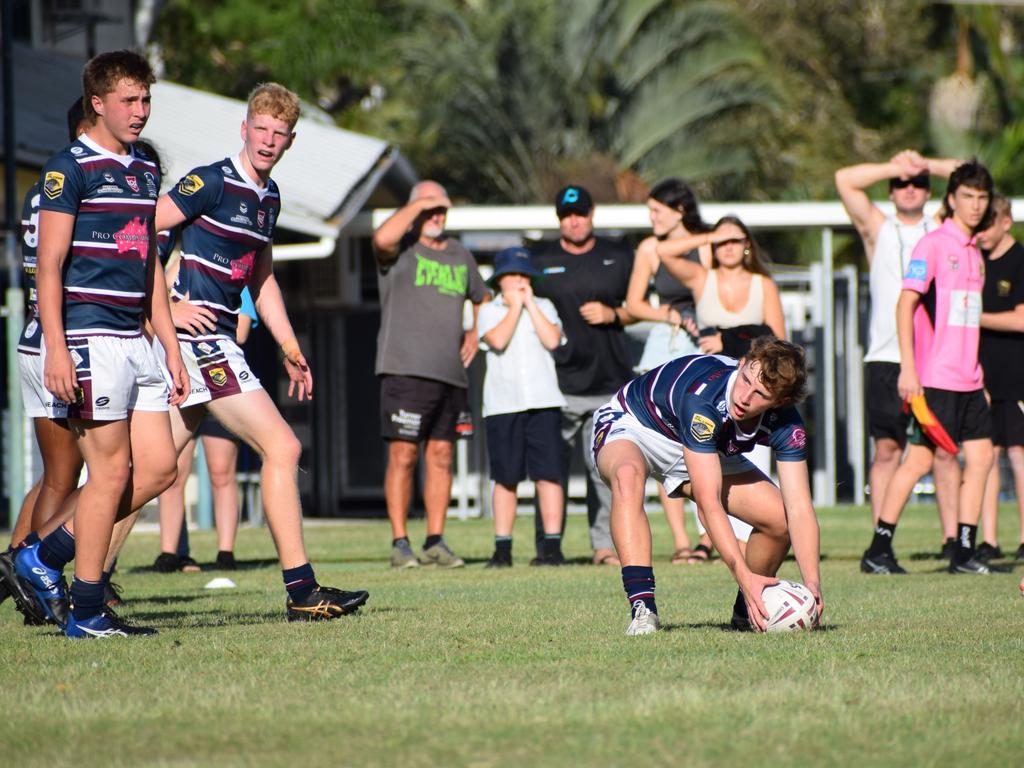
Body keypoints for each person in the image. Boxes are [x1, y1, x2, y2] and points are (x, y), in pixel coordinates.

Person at [150, 82, 369, 619]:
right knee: (284, 449)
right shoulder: (211, 180)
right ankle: (302, 592)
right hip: (195, 340)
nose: (269, 140)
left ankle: (52, 564)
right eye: (261, 129)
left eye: (280, 133)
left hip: (216, 339)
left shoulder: (268, 198)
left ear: (290, 141)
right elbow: (141, 232)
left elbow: (262, 276)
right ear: (244, 129)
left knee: (148, 474)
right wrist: (164, 311)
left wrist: (290, 344)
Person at [7, 50, 190, 638]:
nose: (140, 112)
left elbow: (150, 268)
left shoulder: (144, 170)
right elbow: (50, 266)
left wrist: (171, 346)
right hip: (87, 337)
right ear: (98, 103)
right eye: (129, 101)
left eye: (146, 100)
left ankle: (39, 557)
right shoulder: (68, 168)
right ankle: (86, 612)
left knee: (159, 469)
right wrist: (57, 348)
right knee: (107, 475)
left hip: (135, 341)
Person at [593, 337, 822, 635]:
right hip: (635, 424)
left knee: (779, 520)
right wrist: (741, 573)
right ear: (741, 364)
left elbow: (800, 508)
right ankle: (643, 609)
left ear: (779, 402)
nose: (744, 397)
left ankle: (749, 610)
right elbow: (707, 505)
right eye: (745, 380)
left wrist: (813, 583)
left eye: (760, 394)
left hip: (703, 446)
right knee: (627, 474)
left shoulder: (788, 424)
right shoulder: (703, 399)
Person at [860, 160, 995, 576]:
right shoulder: (934, 245)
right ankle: (878, 548)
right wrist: (909, 369)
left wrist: (980, 374)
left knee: (982, 457)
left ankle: (963, 551)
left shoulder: (975, 253)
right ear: (951, 199)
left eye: (982, 197)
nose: (975, 205)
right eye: (967, 197)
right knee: (918, 461)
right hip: (934, 378)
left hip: (969, 380)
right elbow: (906, 303)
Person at [835, 151, 962, 557]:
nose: (910, 188)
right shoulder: (879, 227)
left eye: (918, 183)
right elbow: (844, 178)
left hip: (934, 357)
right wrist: (896, 167)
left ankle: (950, 540)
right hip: (887, 357)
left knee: (943, 449)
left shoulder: (942, 226)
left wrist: (924, 162)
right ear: (891, 191)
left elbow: (970, 176)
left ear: (929, 190)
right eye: (902, 184)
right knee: (887, 449)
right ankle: (881, 542)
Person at [372, 180, 488, 568]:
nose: (436, 214)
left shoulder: (460, 255)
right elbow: (382, 236)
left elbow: (482, 298)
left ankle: (435, 540)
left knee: (441, 456)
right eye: (428, 208)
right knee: (403, 455)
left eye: (441, 208)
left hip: (451, 374)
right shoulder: (400, 250)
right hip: (404, 370)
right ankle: (400, 542)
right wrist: (422, 202)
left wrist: (473, 330)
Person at [656, 215, 787, 557]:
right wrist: (708, 236)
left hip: (753, 389)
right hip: (712, 388)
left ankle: (752, 538)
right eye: (721, 241)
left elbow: (778, 341)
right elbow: (664, 251)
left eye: (735, 239)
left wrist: (728, 337)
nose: (727, 246)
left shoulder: (763, 284)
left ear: (747, 244)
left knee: (753, 461)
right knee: (706, 463)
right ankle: (710, 539)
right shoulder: (702, 278)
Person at [531, 184, 635, 566]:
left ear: (592, 214)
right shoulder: (539, 258)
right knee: (549, 469)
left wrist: (614, 315)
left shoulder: (619, 255)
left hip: (609, 383)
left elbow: (640, 306)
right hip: (553, 385)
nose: (574, 221)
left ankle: (605, 546)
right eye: (566, 215)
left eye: (581, 213)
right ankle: (548, 546)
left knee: (603, 471)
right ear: (559, 219)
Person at [625, 178, 713, 565]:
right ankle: (681, 541)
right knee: (668, 447)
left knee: (708, 442)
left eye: (658, 210)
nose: (652, 217)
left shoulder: (706, 241)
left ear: (680, 210)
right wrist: (669, 314)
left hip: (706, 341)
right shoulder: (649, 247)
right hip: (668, 342)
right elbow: (633, 303)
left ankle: (708, 537)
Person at [477, 247, 566, 567]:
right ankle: (503, 548)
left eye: (524, 275)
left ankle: (552, 547)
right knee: (506, 476)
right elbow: (497, 341)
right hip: (504, 404)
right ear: (499, 280)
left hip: (544, 400)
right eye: (511, 275)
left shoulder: (544, 306)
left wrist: (529, 304)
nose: (518, 281)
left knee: (549, 474)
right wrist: (514, 309)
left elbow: (553, 340)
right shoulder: (490, 310)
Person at [976, 195, 1024, 562]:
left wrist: (973, 316)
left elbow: (1020, 318)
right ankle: (988, 540)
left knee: (1018, 454)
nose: (982, 230)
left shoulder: (1020, 261)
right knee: (985, 456)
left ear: (1006, 222)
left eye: (988, 222)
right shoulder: (975, 262)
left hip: (1016, 374)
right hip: (980, 376)